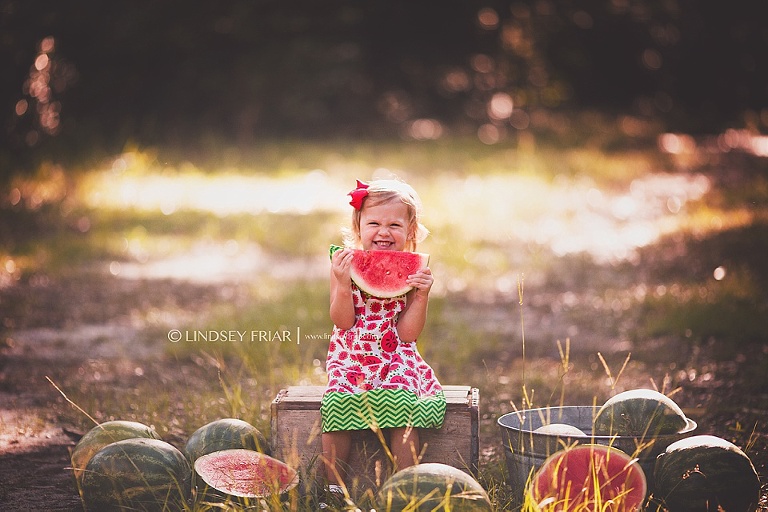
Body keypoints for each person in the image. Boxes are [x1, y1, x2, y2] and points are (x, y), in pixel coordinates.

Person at [320, 178, 446, 497]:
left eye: (394, 224)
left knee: (403, 404)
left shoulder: (413, 274)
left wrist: (420, 297)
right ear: (358, 226)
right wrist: (343, 283)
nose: (383, 232)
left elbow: (407, 334)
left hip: (395, 358)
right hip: (352, 356)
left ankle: (406, 488)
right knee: (335, 404)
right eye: (374, 223)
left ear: (411, 231)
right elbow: (342, 320)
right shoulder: (343, 265)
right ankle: (332, 490)